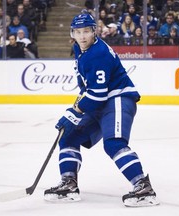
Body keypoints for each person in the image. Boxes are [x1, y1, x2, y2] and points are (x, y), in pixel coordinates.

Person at [44, 11, 159, 207]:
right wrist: (75, 111)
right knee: (69, 136)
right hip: (101, 102)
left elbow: (97, 94)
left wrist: (75, 111)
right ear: (72, 33)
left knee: (113, 143)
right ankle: (69, 184)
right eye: (78, 32)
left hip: (117, 99)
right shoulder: (80, 49)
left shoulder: (98, 54)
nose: (82, 36)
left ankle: (143, 186)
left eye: (86, 31)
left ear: (94, 31)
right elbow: (88, 89)